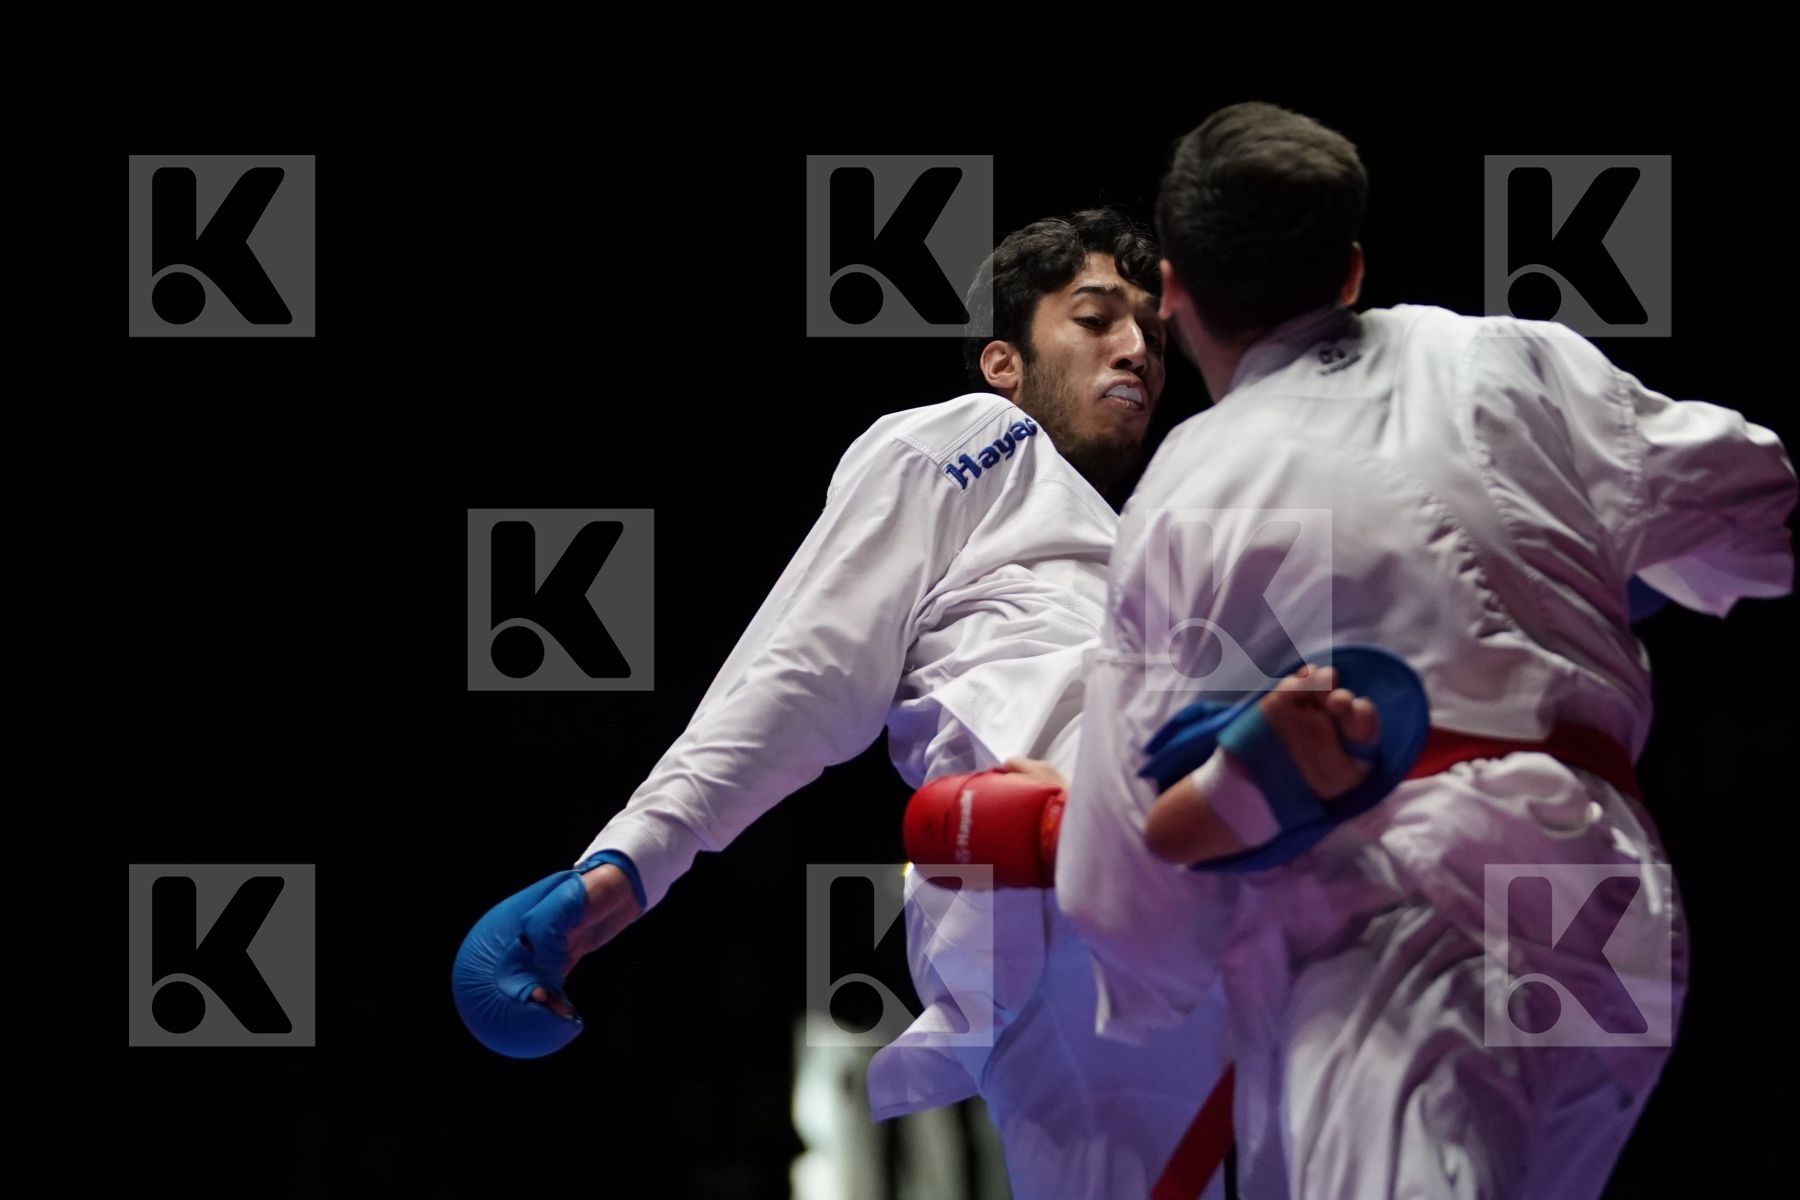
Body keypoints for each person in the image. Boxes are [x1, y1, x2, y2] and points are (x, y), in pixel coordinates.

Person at [1056, 102, 1797, 1199]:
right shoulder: (1515, 356)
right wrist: (1611, 575)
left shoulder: (1190, 486)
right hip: (1608, 901)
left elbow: (1132, 902)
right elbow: (1756, 505)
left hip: (1413, 906)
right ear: (1350, 271)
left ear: (1169, 292)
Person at [453, 209, 1236, 1198]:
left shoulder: (1148, 548)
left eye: (1156, 339)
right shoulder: (976, 440)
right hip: (1045, 877)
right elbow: (805, 668)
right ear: (1002, 361)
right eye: (1094, 319)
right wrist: (630, 862)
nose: (1136, 350)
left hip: (1201, 897)